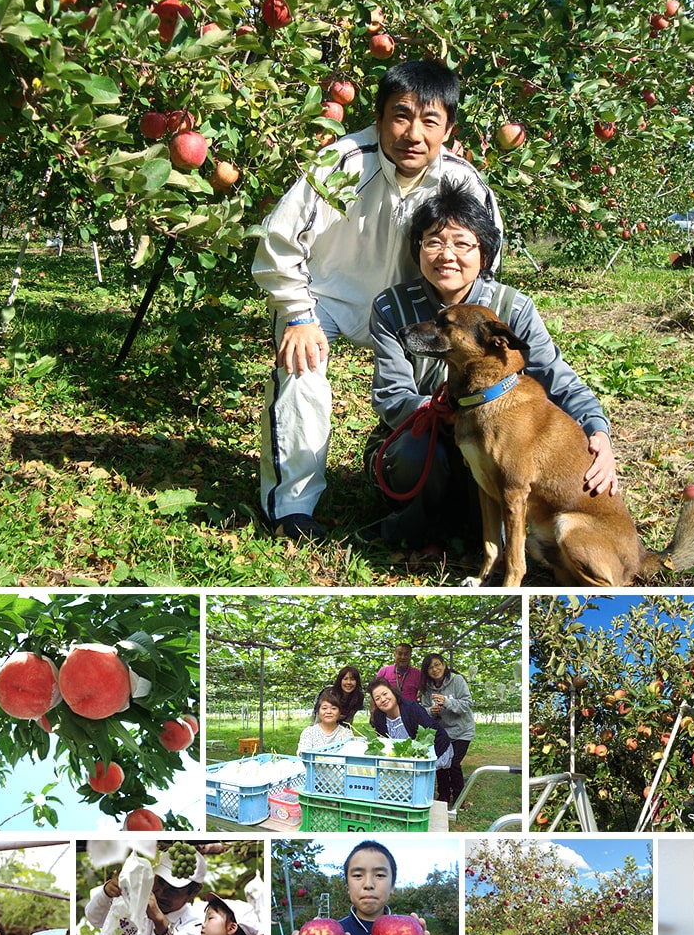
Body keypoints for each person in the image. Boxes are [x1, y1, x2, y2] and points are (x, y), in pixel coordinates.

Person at [251, 59, 502, 540]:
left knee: (449, 384)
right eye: (401, 115)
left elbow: (483, 258)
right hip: (326, 298)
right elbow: (279, 242)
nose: (413, 133)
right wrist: (299, 316)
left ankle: (412, 460)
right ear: (379, 117)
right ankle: (291, 507)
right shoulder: (342, 163)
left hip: (415, 307)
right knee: (300, 375)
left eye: (430, 121)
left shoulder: (462, 182)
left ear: (448, 128)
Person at [369, 178, 617, 553]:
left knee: (499, 513)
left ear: (483, 253)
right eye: (433, 242)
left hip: (494, 440)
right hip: (424, 437)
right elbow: (390, 395)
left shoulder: (513, 309)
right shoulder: (391, 309)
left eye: (462, 243)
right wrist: (440, 411)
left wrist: (598, 433)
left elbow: (559, 380)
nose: (446, 255)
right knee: (415, 455)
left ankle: (466, 526)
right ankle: (420, 521)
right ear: (417, 249)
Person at [290, 840, 446, 935]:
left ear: (392, 886)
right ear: (348, 887)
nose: (368, 884)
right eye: (358, 875)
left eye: (379, 875)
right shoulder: (337, 934)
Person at [85, 850, 206, 935]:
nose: (161, 893)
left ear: (194, 891)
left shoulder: (195, 924)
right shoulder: (130, 894)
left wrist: (159, 920)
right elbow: (94, 919)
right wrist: (105, 893)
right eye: (159, 882)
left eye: (173, 889)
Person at [419, 653, 475, 806]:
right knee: (441, 763)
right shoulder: (426, 688)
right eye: (430, 667)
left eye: (437, 665)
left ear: (444, 665)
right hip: (442, 732)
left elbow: (467, 704)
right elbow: (423, 710)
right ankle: (443, 795)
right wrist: (431, 711)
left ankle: (459, 798)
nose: (435, 669)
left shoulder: (457, 680)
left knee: (454, 763)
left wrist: (447, 702)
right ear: (426, 671)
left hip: (462, 731)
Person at [369, 679, 452, 775]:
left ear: (393, 692)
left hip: (434, 749)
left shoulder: (412, 709)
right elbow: (385, 743)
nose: (383, 699)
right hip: (405, 758)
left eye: (385, 694)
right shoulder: (379, 717)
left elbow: (428, 736)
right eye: (377, 698)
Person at [297, 690, 355, 755]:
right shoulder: (309, 732)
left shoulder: (346, 734)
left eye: (333, 708)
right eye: (324, 708)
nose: (329, 712)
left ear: (339, 712)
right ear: (318, 712)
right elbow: (303, 753)